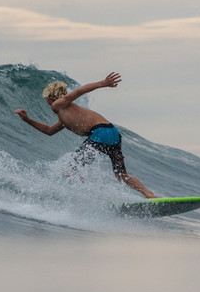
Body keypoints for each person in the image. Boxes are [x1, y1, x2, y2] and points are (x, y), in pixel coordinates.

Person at [15, 72, 157, 198]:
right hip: (112, 133)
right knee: (121, 175)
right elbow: (49, 131)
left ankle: (83, 197)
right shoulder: (64, 116)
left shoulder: (58, 104)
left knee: (73, 167)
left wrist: (103, 83)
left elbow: (78, 91)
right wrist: (27, 120)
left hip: (100, 133)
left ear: (50, 96)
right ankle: (148, 194)